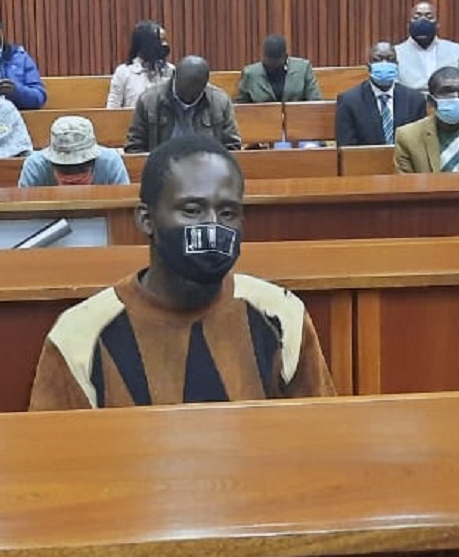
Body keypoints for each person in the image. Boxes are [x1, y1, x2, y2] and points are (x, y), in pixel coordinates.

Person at [28, 134, 336, 409]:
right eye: (192, 210)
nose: (212, 226)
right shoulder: (78, 335)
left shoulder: (282, 314)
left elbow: (321, 437)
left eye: (227, 212)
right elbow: (54, 452)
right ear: (146, 219)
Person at [124, 55, 241, 153]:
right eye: (184, 90)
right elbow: (134, 147)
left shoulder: (219, 102)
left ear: (205, 84)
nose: (188, 97)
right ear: (174, 75)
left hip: (207, 168)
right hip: (162, 168)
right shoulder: (149, 101)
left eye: (195, 92)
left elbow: (232, 148)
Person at [394, 67, 459, 173]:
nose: (456, 98)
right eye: (447, 92)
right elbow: (406, 182)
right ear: (431, 101)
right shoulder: (407, 137)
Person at [335, 42, 428, 146]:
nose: (384, 63)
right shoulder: (349, 101)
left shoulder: (415, 100)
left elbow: (420, 143)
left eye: (390, 59)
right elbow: (347, 147)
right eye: (377, 59)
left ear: (397, 65)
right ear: (369, 66)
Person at [395, 1, 459, 95]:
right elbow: (394, 91)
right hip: (411, 102)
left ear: (437, 24)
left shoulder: (458, 51)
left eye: (429, 17)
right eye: (416, 17)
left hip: (448, 101)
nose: (423, 21)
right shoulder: (395, 54)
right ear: (408, 25)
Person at [19, 115, 130, 187]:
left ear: (94, 161)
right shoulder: (35, 167)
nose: (72, 181)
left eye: (81, 169)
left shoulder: (111, 163)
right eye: (64, 170)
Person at [106, 20, 173, 108]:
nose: (164, 45)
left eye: (164, 40)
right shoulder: (123, 72)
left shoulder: (171, 71)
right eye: (160, 41)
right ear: (146, 44)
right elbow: (112, 109)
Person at [236, 34, 321, 103]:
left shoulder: (303, 69)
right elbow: (241, 107)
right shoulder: (250, 74)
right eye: (268, 61)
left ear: (285, 57)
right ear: (263, 56)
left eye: (276, 62)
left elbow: (315, 102)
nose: (272, 65)